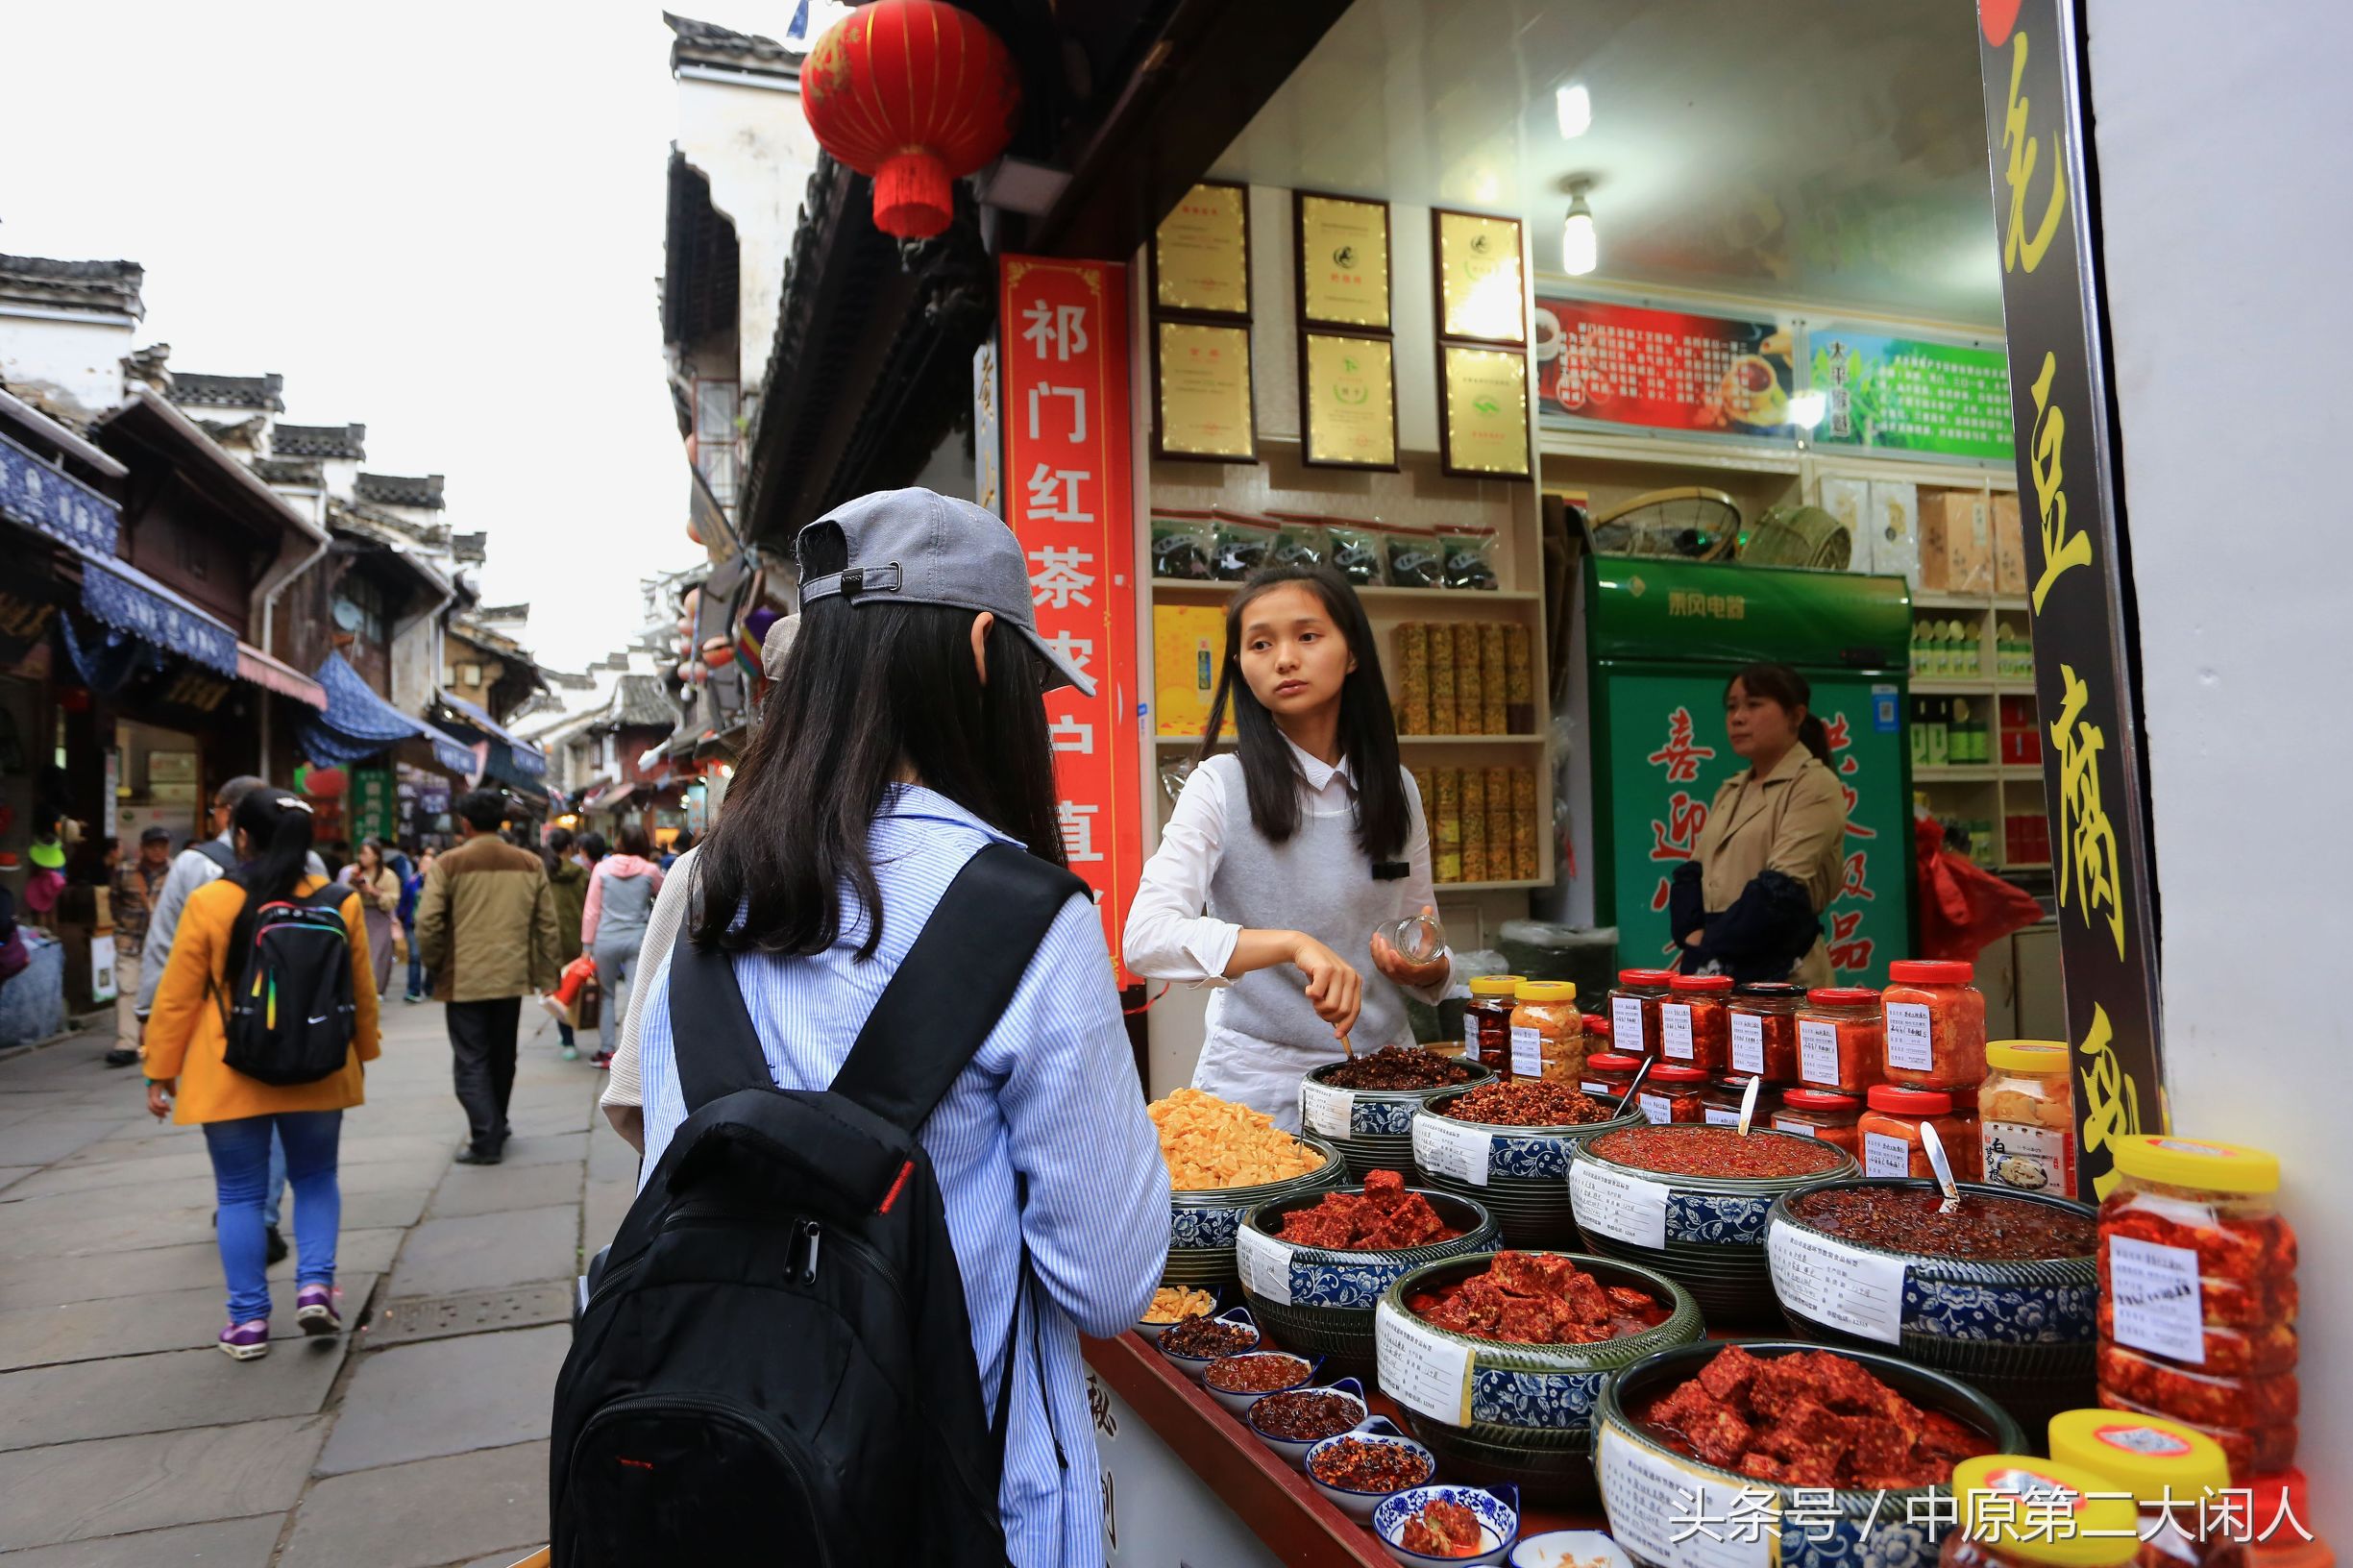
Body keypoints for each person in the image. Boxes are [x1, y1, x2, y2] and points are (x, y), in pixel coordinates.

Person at [630, 488, 1165, 1565]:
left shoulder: (697, 892)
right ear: (982, 654)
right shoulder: (1023, 915)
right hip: (962, 1502)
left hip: (735, 1479)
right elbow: (1107, 1282)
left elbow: (670, 1177)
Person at [1122, 565, 1455, 1129]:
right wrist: (1291, 944)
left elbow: (1424, 940)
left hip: (1387, 1077)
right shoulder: (1219, 785)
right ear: (1240, 667)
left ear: (1352, 653)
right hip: (1259, 1084)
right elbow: (1145, 939)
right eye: (1260, 643)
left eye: (1307, 636)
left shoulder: (1396, 788)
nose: (1284, 658)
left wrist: (1418, 967)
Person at [140, 790, 380, 1360]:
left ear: (240, 836)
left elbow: (176, 998)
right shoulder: (338, 901)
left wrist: (160, 1071)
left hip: (229, 1072)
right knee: (317, 1178)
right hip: (320, 1067)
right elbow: (360, 991)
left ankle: (247, 1323)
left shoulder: (212, 900)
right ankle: (315, 1286)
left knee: (241, 1194)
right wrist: (362, 1052)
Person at [138, 775, 325, 1262]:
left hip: (224, 1043)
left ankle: (247, 1313)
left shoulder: (194, 870)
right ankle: (310, 1277)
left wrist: (156, 1052)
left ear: (231, 820)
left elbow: (169, 967)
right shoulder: (322, 878)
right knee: (313, 1173)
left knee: (236, 1185)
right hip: (306, 1037)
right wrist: (360, 1048)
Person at [1669, 661, 1849, 987]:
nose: (1737, 718)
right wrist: (1694, 936)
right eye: (1732, 707)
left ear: (1795, 716)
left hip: (1782, 975)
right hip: (1717, 969)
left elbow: (1780, 892)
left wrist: (1709, 944)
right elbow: (1693, 872)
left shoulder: (1814, 784)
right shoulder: (1732, 787)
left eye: (1753, 705)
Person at [414, 790, 559, 1164]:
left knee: (471, 1059)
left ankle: (485, 1136)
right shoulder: (529, 863)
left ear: (465, 823)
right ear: (502, 819)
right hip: (510, 975)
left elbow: (427, 924)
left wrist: (434, 965)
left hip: (464, 977)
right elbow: (547, 925)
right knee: (502, 1055)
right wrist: (547, 974)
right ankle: (498, 1121)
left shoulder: (448, 864)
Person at [580, 823, 663, 1068]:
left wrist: (587, 944)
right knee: (636, 995)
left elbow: (591, 909)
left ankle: (606, 1050)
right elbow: (666, 892)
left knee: (606, 994)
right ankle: (633, 1054)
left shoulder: (602, 869)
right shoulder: (650, 870)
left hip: (605, 939)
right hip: (638, 938)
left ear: (619, 844)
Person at [103, 826, 172, 1068]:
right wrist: (123, 924)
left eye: (162, 846)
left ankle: (159, 1039)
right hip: (129, 940)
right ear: (142, 848)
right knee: (127, 988)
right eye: (153, 846)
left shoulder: (175, 872)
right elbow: (114, 901)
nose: (158, 850)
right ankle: (126, 1043)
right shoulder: (124, 871)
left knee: (163, 991)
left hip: (164, 943)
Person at [540, 825, 590, 1062]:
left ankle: (567, 1040)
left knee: (557, 992)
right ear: (570, 847)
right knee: (572, 989)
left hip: (550, 940)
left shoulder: (542, 874)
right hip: (577, 940)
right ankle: (571, 1034)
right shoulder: (581, 874)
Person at [343, 839, 402, 996]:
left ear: (376, 856)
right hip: (359, 916)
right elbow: (345, 894)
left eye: (366, 854)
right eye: (361, 854)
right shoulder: (354, 872)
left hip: (380, 919)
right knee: (356, 957)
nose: (362, 857)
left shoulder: (388, 876)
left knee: (376, 958)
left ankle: (372, 993)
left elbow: (392, 900)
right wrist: (354, 884)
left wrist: (372, 890)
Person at [401, 845, 435, 1002]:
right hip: (413, 924)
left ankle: (430, 987)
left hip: (432, 925)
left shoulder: (438, 883)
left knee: (431, 958)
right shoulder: (412, 882)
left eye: (428, 863)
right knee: (414, 956)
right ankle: (413, 990)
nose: (424, 866)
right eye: (423, 863)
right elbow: (403, 904)